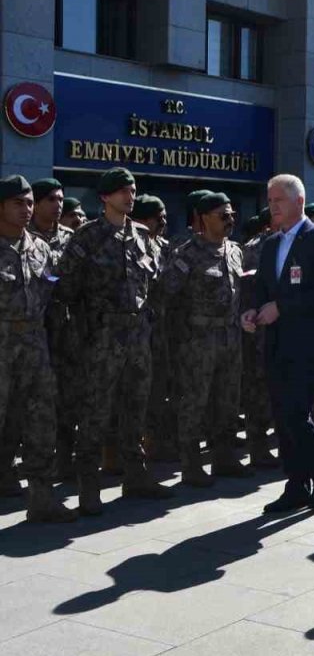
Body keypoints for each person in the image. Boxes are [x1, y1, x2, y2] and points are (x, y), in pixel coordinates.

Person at [58, 167, 173, 513]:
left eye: (133, 189)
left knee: (136, 406)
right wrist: (85, 332)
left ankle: (135, 476)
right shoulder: (87, 237)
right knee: (95, 410)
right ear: (105, 197)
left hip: (138, 333)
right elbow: (66, 289)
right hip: (102, 336)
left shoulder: (142, 235)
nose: (130, 196)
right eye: (123, 191)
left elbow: (152, 284)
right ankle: (88, 486)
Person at [241, 174, 314, 513]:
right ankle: (297, 482)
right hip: (277, 342)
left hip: (308, 341)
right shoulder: (271, 243)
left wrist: (281, 307)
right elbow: (262, 289)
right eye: (269, 201)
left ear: (299, 201)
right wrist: (252, 311)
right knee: (282, 415)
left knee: (297, 412)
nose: (273, 208)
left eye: (279, 201)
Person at [159, 192, 251, 486]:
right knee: (194, 403)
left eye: (232, 215)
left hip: (230, 337)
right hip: (197, 341)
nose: (230, 220)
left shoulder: (235, 251)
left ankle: (224, 457)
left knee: (227, 401)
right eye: (223, 216)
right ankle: (191, 464)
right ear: (203, 219)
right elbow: (165, 297)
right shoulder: (186, 254)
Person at [0, 175, 77, 522]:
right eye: (19, 203)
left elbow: (53, 292)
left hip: (34, 344)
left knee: (41, 421)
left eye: (30, 203)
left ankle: (41, 497)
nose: (27, 210)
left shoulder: (41, 249)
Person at [27, 178, 77, 476]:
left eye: (61, 200)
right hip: (33, 330)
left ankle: (64, 459)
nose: (58, 206)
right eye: (51, 200)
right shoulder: (23, 237)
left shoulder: (72, 238)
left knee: (68, 397)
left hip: (66, 329)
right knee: (29, 400)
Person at [131, 195, 180, 464]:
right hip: (133, 332)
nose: (162, 222)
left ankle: (154, 442)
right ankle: (121, 451)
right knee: (131, 393)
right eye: (156, 218)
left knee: (159, 389)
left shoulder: (165, 247)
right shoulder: (129, 246)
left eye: (163, 217)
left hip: (161, 331)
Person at [239, 210, 278, 468]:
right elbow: (247, 290)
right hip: (261, 329)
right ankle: (258, 446)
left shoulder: (295, 244)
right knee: (258, 390)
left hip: (286, 329)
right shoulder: (256, 249)